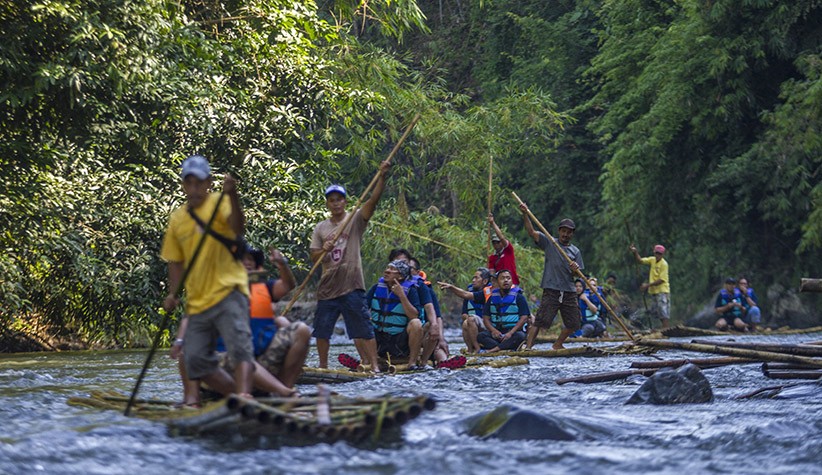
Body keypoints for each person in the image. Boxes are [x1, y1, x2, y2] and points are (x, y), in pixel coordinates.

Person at [161, 155, 254, 401]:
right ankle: (237, 396)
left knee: (240, 348)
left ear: (208, 183)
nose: (193, 188)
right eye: (188, 183)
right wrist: (172, 294)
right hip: (198, 300)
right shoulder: (178, 219)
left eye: (198, 183)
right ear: (183, 185)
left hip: (228, 290)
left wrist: (232, 195)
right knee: (195, 360)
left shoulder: (220, 203)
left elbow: (237, 228)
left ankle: (243, 393)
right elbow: (175, 261)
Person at [171, 245, 310, 405]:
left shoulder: (262, 287)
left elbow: (287, 285)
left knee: (301, 330)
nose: (247, 263)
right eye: (242, 259)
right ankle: (192, 399)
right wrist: (180, 341)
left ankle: (283, 391)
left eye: (250, 259)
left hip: (263, 361)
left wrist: (282, 264)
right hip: (226, 368)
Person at [310, 162, 390, 372]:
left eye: (339, 200)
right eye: (332, 200)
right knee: (322, 330)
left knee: (362, 328)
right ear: (327, 203)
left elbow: (373, 201)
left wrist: (381, 177)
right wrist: (324, 250)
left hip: (352, 284)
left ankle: (374, 366)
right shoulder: (321, 228)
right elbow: (314, 256)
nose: (336, 203)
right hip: (328, 287)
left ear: (345, 201)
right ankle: (323, 366)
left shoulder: (354, 219)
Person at [519, 205, 584, 351]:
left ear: (572, 234)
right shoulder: (550, 242)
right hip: (551, 289)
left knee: (574, 323)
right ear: (559, 231)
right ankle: (528, 347)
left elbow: (577, 275)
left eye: (569, 232)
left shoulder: (575, 251)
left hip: (568, 291)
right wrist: (525, 214)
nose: (565, 234)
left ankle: (557, 344)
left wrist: (575, 270)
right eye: (563, 231)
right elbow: (531, 232)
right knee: (541, 320)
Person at [366, 260, 424, 369]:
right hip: (378, 338)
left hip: (399, 341)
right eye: (387, 268)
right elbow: (363, 308)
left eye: (392, 269)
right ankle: (367, 360)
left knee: (416, 324)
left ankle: (412, 362)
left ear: (401, 276)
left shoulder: (411, 290)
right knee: (359, 320)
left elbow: (414, 316)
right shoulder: (376, 287)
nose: (387, 271)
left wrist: (402, 295)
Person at [439, 267, 493, 354]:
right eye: (473, 278)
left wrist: (451, 287)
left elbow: (465, 294)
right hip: (473, 324)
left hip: (488, 325)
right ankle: (471, 350)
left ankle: (477, 349)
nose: (473, 280)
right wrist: (470, 320)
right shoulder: (470, 291)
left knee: (471, 320)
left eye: (476, 278)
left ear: (485, 281)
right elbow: (464, 313)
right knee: (466, 322)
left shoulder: (489, 292)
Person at [477, 270, 529, 352]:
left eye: (508, 278)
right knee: (481, 336)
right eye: (502, 278)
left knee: (520, 336)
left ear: (512, 281)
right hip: (498, 334)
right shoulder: (491, 298)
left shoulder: (519, 297)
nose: (506, 280)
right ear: (497, 282)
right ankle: (506, 347)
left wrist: (510, 333)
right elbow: (486, 318)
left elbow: (524, 317)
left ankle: (494, 349)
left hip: (513, 332)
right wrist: (493, 331)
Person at [630, 244, 671, 329]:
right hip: (654, 292)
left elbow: (662, 280)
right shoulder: (652, 260)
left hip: (662, 291)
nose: (658, 255)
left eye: (660, 254)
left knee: (663, 312)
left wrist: (647, 285)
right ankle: (663, 330)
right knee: (656, 312)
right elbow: (640, 261)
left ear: (662, 254)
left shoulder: (664, 264)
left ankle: (666, 330)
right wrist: (635, 252)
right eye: (656, 253)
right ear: (654, 253)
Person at [487, 213, 521, 285]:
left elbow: (502, 238)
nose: (496, 245)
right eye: (494, 243)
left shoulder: (508, 251)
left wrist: (492, 223)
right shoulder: (492, 257)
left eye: (498, 242)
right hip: (501, 286)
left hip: (513, 284)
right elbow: (492, 272)